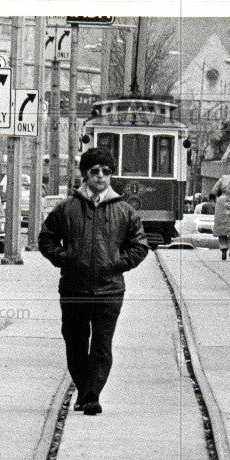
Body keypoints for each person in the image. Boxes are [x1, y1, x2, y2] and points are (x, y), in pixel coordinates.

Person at [38, 147, 149, 415]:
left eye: (106, 172)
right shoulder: (67, 209)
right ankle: (85, 389)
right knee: (75, 342)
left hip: (109, 290)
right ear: (85, 175)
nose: (101, 176)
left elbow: (140, 246)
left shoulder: (124, 210)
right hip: (74, 288)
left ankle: (91, 395)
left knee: (101, 345)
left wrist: (116, 264)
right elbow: (46, 239)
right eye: (95, 171)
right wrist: (66, 258)